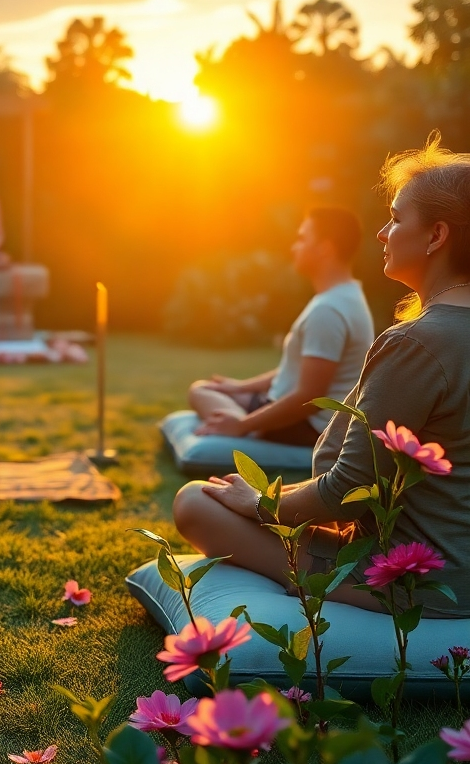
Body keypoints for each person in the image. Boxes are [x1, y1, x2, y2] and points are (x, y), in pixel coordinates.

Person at [174, 135, 470, 617]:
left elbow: (343, 496)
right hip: (450, 562)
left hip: (412, 577)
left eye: (396, 219)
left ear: (437, 236)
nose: (381, 233)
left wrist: (260, 504)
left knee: (194, 502)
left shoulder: (417, 343)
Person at [188, 207, 374, 446]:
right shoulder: (344, 297)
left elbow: (310, 397)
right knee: (211, 389)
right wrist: (239, 387)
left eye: (302, 239)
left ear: (325, 248)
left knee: (200, 391)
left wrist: (243, 425)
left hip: (304, 426)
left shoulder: (330, 310)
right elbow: (301, 369)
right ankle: (243, 421)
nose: (294, 247)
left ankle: (247, 432)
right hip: (286, 408)